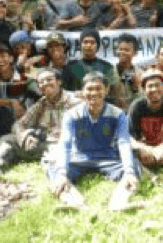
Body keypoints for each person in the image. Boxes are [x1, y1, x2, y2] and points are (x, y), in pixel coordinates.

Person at [48, 72, 140, 211]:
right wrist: (61, 174)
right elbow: (65, 144)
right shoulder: (71, 115)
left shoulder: (118, 114)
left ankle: (119, 202)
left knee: (134, 167)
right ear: (82, 92)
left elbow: (124, 143)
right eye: (89, 89)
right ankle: (75, 202)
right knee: (54, 169)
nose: (94, 93)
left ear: (107, 90)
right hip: (79, 157)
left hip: (108, 157)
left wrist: (128, 171)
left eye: (98, 88)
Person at [0, 68, 80, 177]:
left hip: (65, 145)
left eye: (49, 80)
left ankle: (59, 176)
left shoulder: (75, 102)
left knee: (57, 161)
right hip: (43, 143)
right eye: (41, 82)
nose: (45, 84)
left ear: (59, 82)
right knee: (7, 140)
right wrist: (25, 136)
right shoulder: (42, 104)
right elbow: (19, 124)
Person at [0, 43, 38, 137]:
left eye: (3, 56)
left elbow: (37, 93)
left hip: (25, 109)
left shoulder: (23, 73)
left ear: (11, 58)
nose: (0, 60)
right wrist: (11, 102)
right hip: (5, 111)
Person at [62, 28, 122, 108]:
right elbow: (63, 92)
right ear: (80, 44)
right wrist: (76, 94)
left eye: (92, 42)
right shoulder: (70, 67)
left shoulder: (108, 67)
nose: (88, 45)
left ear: (97, 45)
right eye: (85, 42)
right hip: (76, 108)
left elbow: (114, 93)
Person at [116, 34, 143, 110]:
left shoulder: (140, 74)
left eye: (126, 50)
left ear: (134, 53)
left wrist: (135, 87)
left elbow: (143, 99)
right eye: (120, 49)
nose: (122, 52)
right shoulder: (110, 71)